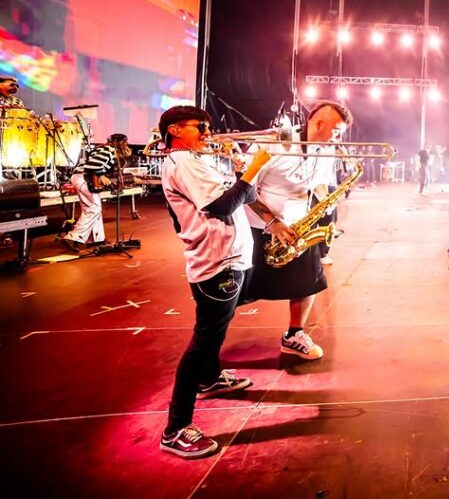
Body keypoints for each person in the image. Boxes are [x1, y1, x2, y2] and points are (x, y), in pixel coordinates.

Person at [158, 105, 271, 459]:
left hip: (227, 257)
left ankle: (210, 379)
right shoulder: (184, 163)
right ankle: (176, 429)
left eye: (207, 127)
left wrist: (242, 174)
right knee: (205, 341)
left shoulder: (196, 160)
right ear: (175, 129)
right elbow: (222, 206)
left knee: (215, 330)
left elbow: (244, 197)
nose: (207, 133)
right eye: (199, 127)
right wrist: (252, 170)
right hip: (216, 262)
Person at [243, 101, 352, 360]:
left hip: (299, 225)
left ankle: (294, 335)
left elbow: (320, 184)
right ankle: (209, 348)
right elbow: (245, 188)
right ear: (319, 123)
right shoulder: (273, 143)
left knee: (309, 282)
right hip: (258, 226)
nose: (339, 139)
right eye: (336, 132)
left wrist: (328, 200)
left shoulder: (327, 150)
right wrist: (273, 222)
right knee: (238, 289)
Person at [58, 133, 132, 252]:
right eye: (125, 142)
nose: (127, 145)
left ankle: (96, 238)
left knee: (93, 207)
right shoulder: (108, 150)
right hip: (83, 178)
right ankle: (72, 237)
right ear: (119, 143)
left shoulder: (105, 149)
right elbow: (92, 166)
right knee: (93, 208)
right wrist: (101, 175)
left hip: (81, 177)